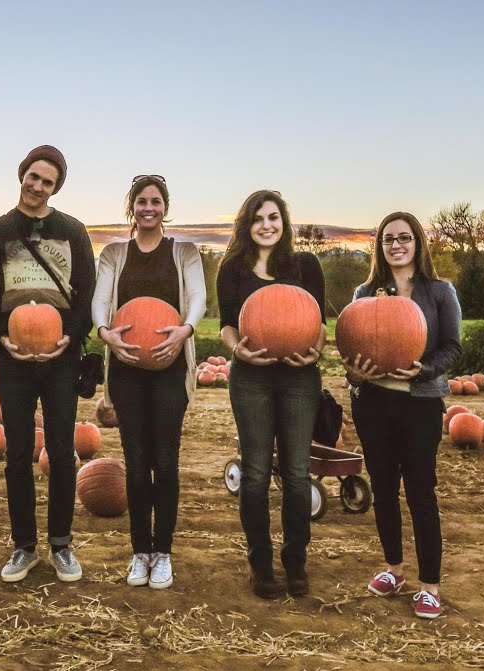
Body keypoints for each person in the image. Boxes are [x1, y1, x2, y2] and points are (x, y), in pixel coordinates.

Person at [0, 146, 96, 584]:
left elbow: (86, 296)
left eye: (47, 181)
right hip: (14, 357)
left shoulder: (73, 232)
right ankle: (23, 545)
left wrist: (69, 337)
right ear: (21, 175)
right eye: (33, 176)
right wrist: (2, 335)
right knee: (18, 452)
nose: (37, 186)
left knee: (62, 452)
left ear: (55, 188)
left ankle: (61, 544)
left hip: (62, 358)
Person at [344, 211, 461, 619]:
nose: (396, 245)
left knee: (420, 491)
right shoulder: (364, 293)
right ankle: (393, 568)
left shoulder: (440, 292)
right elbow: (350, 348)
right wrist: (355, 377)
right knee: (384, 487)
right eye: (388, 239)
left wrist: (424, 370)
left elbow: (452, 347)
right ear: (380, 246)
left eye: (404, 238)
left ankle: (430, 585)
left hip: (420, 403)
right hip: (373, 403)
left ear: (417, 244)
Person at [92, 175, 205, 590]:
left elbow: (197, 299)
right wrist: (105, 332)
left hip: (170, 371)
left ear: (165, 207)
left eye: (156, 201)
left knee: (166, 464)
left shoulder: (185, 252)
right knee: (137, 467)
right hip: (126, 371)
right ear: (132, 207)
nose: (149, 208)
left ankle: (164, 553)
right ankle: (140, 552)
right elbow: (101, 299)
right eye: (142, 201)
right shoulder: (114, 253)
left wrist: (185, 331)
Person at [217, 189, 325, 600]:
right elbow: (227, 324)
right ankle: (260, 563)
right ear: (247, 224)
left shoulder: (305, 265)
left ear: (284, 223)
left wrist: (316, 349)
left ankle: (295, 561)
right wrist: (236, 348)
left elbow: (318, 322)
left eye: (274, 217)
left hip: (299, 377)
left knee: (297, 474)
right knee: (257, 474)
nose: (267, 225)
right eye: (259, 218)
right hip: (251, 377)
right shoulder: (232, 269)